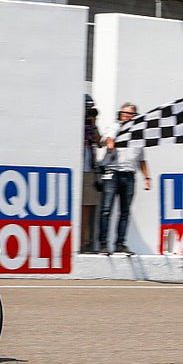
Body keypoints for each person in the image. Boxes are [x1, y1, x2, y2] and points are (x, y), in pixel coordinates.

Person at [97, 102, 150, 255]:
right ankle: (103, 244)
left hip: (129, 175)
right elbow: (107, 139)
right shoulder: (115, 127)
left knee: (125, 212)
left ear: (135, 116)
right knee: (106, 209)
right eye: (123, 113)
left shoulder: (138, 135)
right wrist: (110, 144)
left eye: (129, 113)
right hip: (112, 173)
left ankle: (120, 244)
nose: (126, 115)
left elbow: (142, 159)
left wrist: (147, 177)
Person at [81, 95, 102, 253]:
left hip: (89, 170)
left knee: (87, 208)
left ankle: (84, 242)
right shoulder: (74, 123)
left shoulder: (91, 126)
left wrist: (93, 124)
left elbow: (99, 142)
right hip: (77, 169)